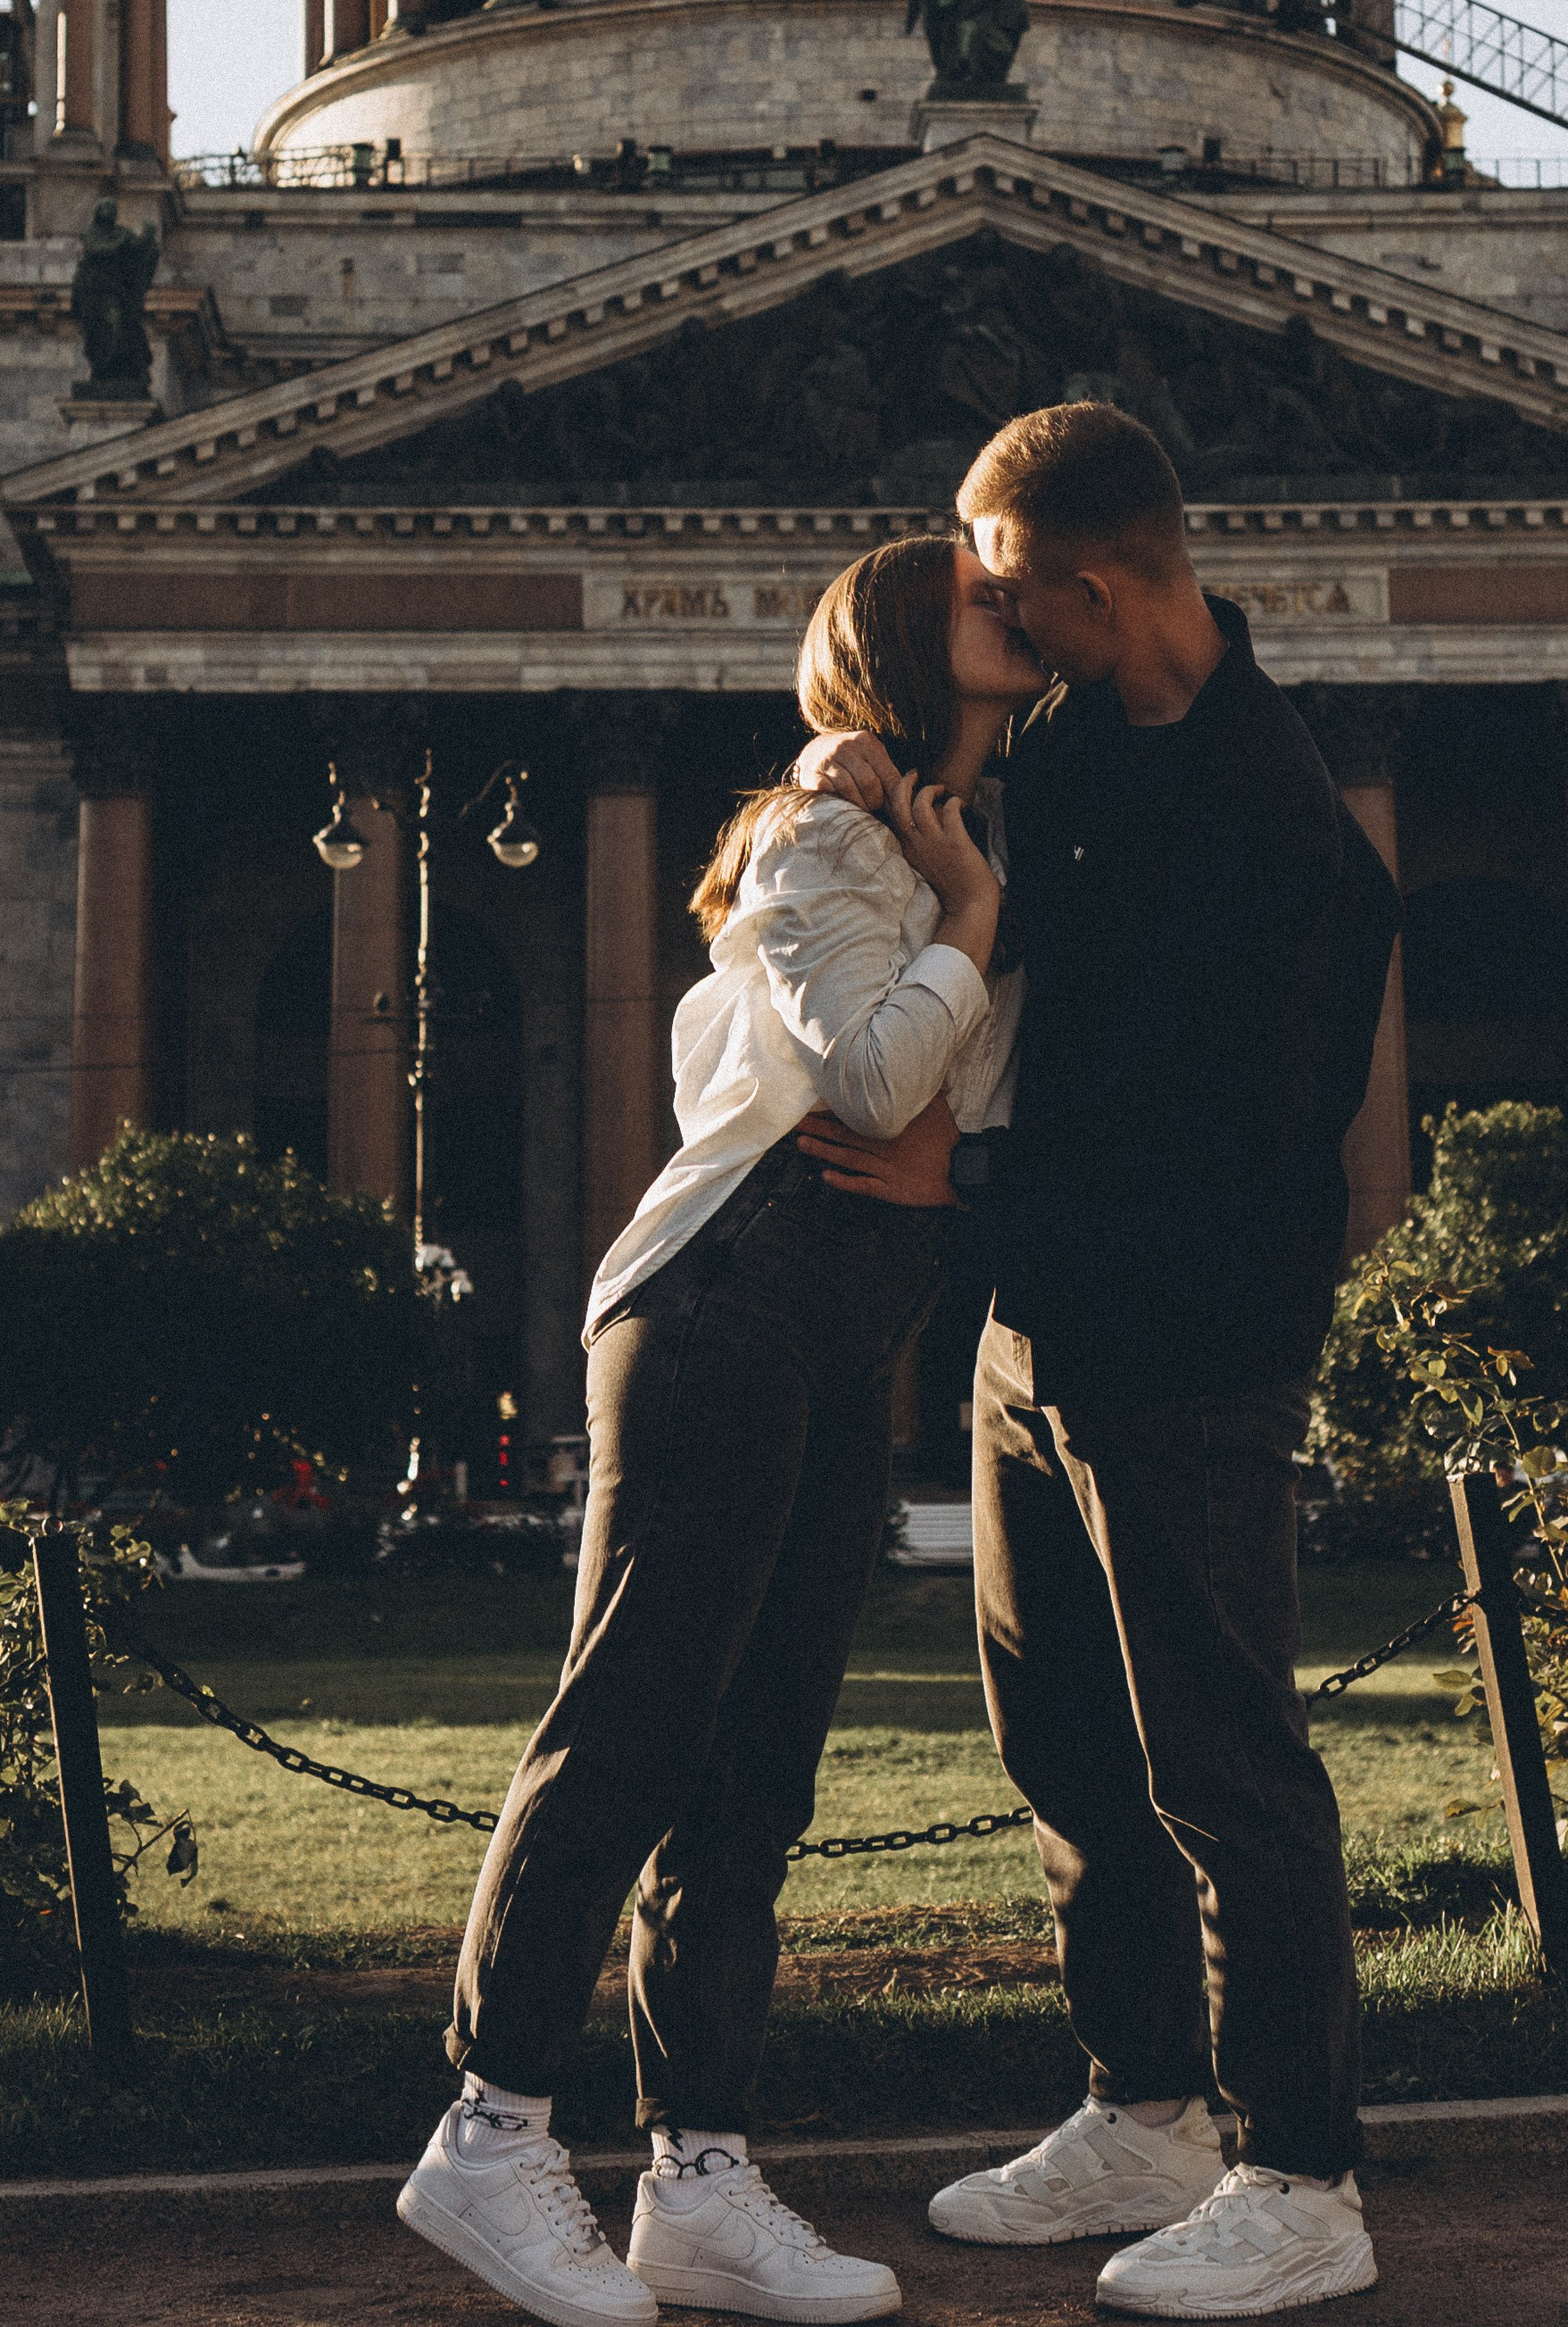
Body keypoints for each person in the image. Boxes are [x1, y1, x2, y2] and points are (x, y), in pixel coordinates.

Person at [400, 536, 1048, 2327]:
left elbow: (925, 1104)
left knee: (755, 1774)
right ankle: (490, 2127)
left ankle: (696, 2170)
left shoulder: (933, 830)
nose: (1026, 605)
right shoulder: (826, 834)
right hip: (722, 1309)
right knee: (630, 1727)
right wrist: (967, 930)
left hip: (839, 1328)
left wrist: (966, 929)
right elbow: (863, 1080)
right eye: (988, 601)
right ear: (912, 649)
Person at [795, 403, 1400, 2320]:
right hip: (1038, 1322)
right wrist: (852, 785)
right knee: (1060, 1740)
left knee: (1220, 1758)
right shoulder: (1063, 746)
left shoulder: (1270, 813)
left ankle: (1300, 2172)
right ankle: (1144, 2109)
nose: (986, 614)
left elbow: (1216, 1143)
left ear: (1091, 581)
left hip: (1188, 1338)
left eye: (997, 583)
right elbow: (977, 899)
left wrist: (948, 1172)